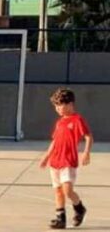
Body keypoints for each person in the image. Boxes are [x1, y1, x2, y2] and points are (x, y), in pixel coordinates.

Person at [39, 88, 92, 229]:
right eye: (56, 106)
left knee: (67, 190)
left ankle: (79, 208)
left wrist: (86, 152)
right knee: (58, 190)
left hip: (68, 161)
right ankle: (60, 218)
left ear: (70, 104)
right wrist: (46, 156)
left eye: (60, 105)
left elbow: (88, 136)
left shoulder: (77, 120)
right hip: (55, 161)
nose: (58, 109)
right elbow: (55, 142)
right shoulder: (59, 122)